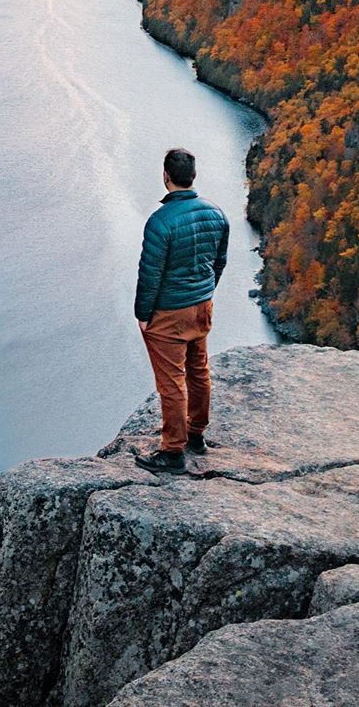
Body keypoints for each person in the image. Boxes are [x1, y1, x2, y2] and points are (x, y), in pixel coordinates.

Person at [133, 147, 229, 475]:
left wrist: (143, 314)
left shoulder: (160, 222)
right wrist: (204, 293)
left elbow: (150, 274)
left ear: (165, 176)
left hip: (169, 313)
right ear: (193, 176)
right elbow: (219, 263)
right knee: (199, 369)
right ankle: (196, 435)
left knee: (172, 381)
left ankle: (173, 451)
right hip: (201, 306)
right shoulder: (216, 214)